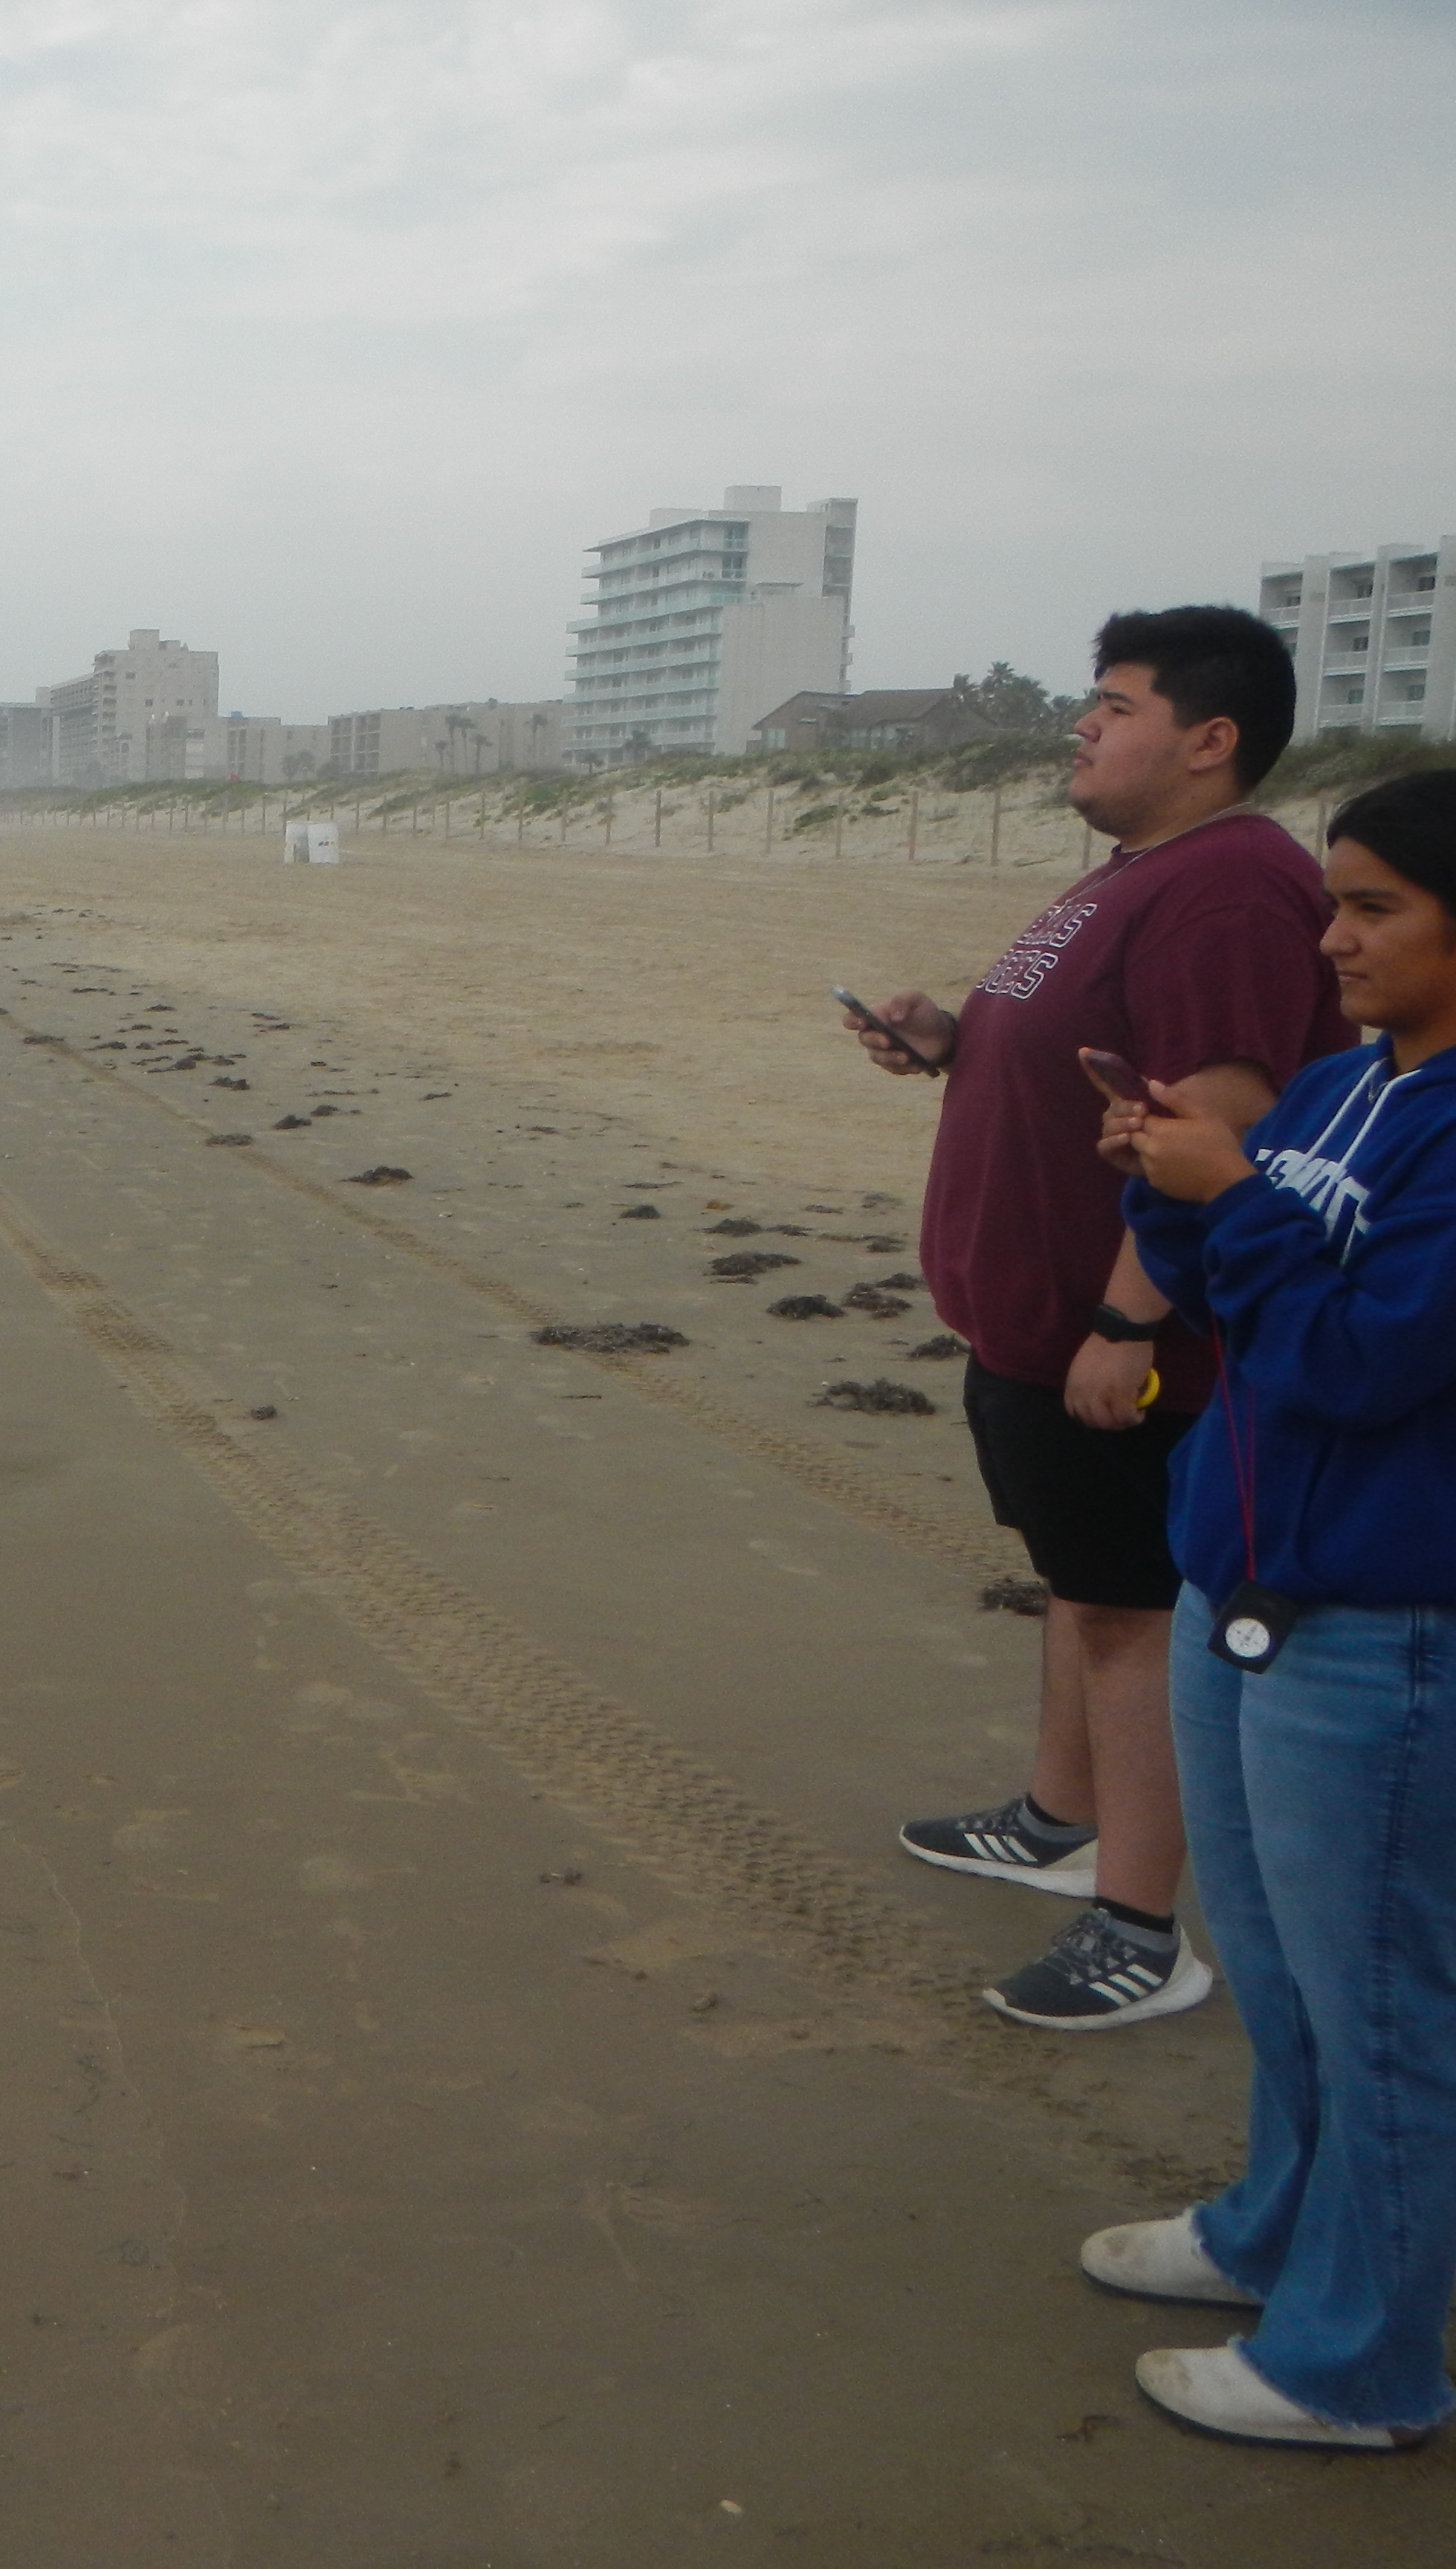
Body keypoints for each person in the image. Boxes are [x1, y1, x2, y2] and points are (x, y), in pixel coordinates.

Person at [847, 608, 1345, 2028]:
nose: (1084, 725)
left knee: (1135, 1616)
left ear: (1209, 739)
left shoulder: (1232, 886)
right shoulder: (1138, 873)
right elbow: (1097, 1067)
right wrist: (953, 1045)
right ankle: (1057, 1818)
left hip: (1126, 1339)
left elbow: (1219, 1113)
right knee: (1083, 1585)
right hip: (1038, 1322)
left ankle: (1140, 1927)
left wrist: (1129, 1323)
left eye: (1116, 707)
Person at [1083, 767, 1456, 2448]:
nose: (1335, 939)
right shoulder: (1339, 1083)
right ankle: (1278, 2238)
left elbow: (1362, 1361)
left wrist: (1234, 1196)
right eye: (1335, 902)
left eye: (1376, 907)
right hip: (1244, 1583)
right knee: (1290, 1978)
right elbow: (1235, 1299)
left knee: (1381, 2003)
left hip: (1386, 1622)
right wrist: (1166, 1175)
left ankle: (1357, 2367)